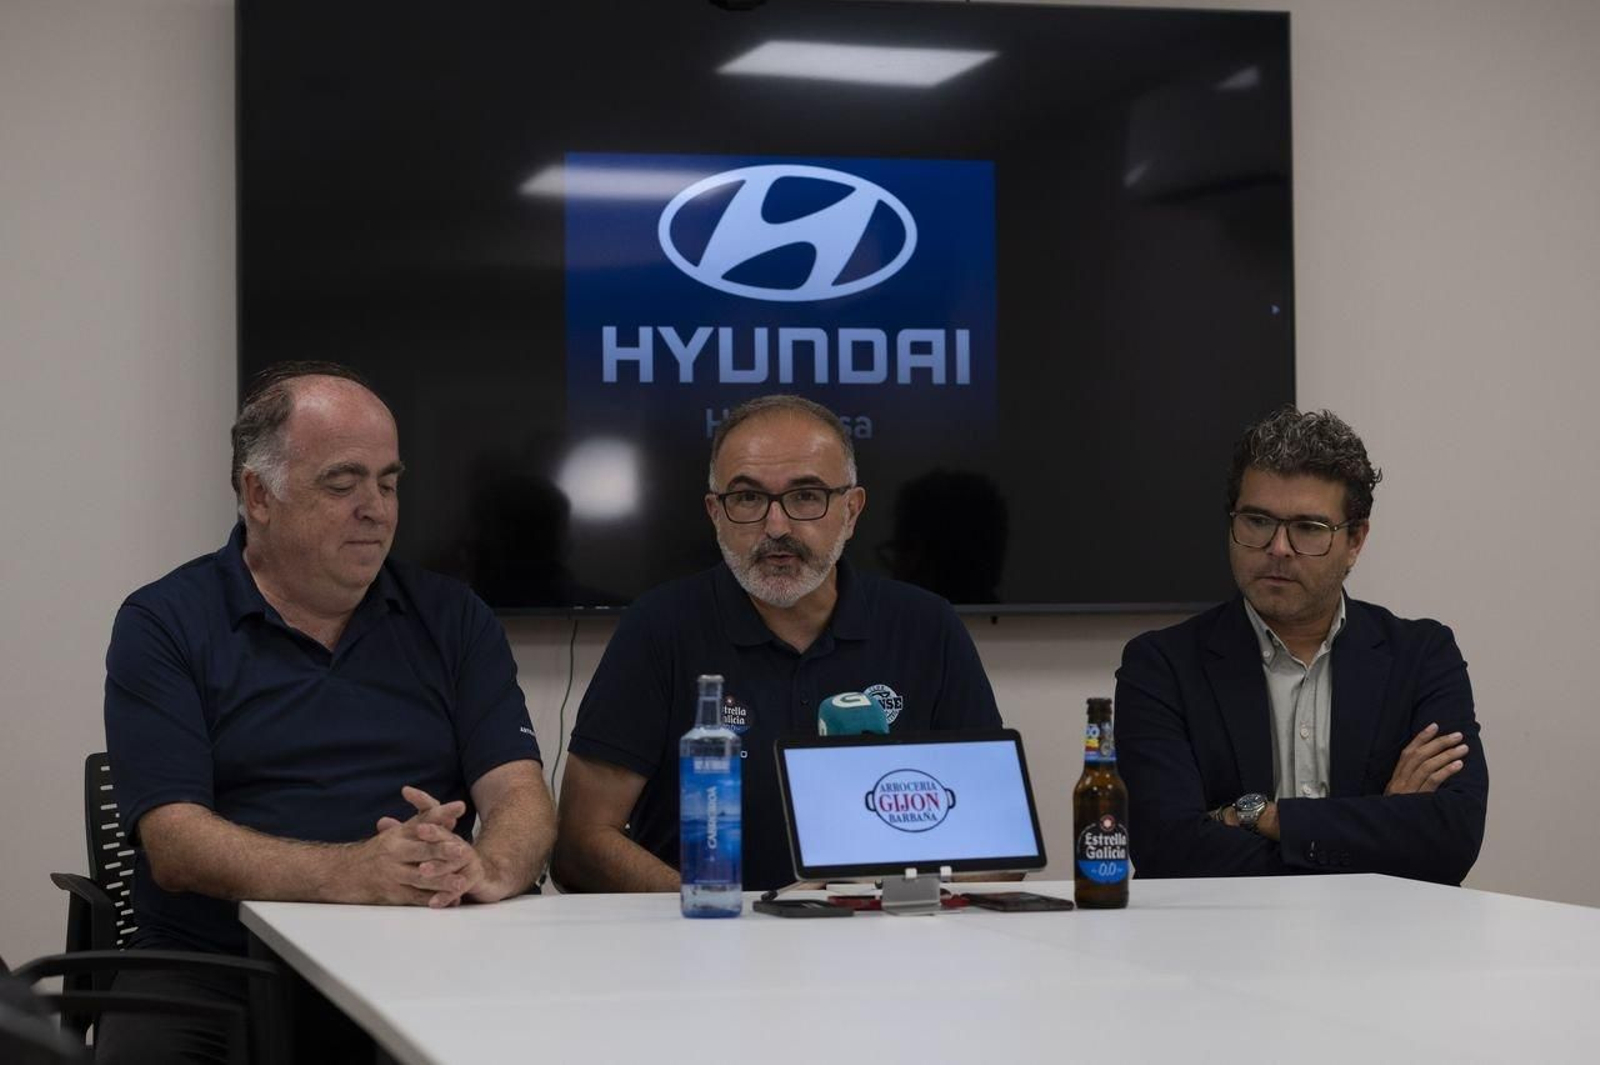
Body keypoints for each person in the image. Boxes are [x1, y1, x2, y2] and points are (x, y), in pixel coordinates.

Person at [100, 362, 556, 1064]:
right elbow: (175, 842)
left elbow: (520, 790)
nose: (377, 507)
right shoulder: (165, 621)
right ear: (259, 493)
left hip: (424, 953)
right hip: (219, 964)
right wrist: (357, 873)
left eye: (389, 480)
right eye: (343, 483)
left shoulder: (454, 617)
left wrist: (489, 867)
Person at [552, 394, 1002, 893]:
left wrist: (877, 900)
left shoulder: (926, 626)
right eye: (747, 498)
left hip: (882, 942)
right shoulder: (659, 627)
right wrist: (724, 910)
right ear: (715, 513)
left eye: (806, 496)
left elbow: (997, 847)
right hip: (701, 946)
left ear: (851, 511)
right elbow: (579, 844)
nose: (777, 527)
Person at [1115, 406, 1487, 885]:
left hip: (1387, 943)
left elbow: (1451, 839)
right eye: (1257, 521)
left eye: (1309, 528)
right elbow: (1169, 850)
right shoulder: (1161, 666)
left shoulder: (1421, 656)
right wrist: (1379, 824)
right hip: (1217, 948)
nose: (1278, 548)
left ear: (1355, 540)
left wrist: (1261, 818)